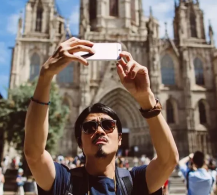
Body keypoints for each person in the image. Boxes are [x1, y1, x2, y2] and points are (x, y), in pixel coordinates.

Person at [24, 38, 179, 195]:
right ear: (80, 142)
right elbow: (34, 154)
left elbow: (168, 161)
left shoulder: (135, 183)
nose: (99, 130)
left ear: (120, 138)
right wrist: (45, 77)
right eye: (89, 127)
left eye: (108, 125)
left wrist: (147, 98)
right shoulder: (65, 182)